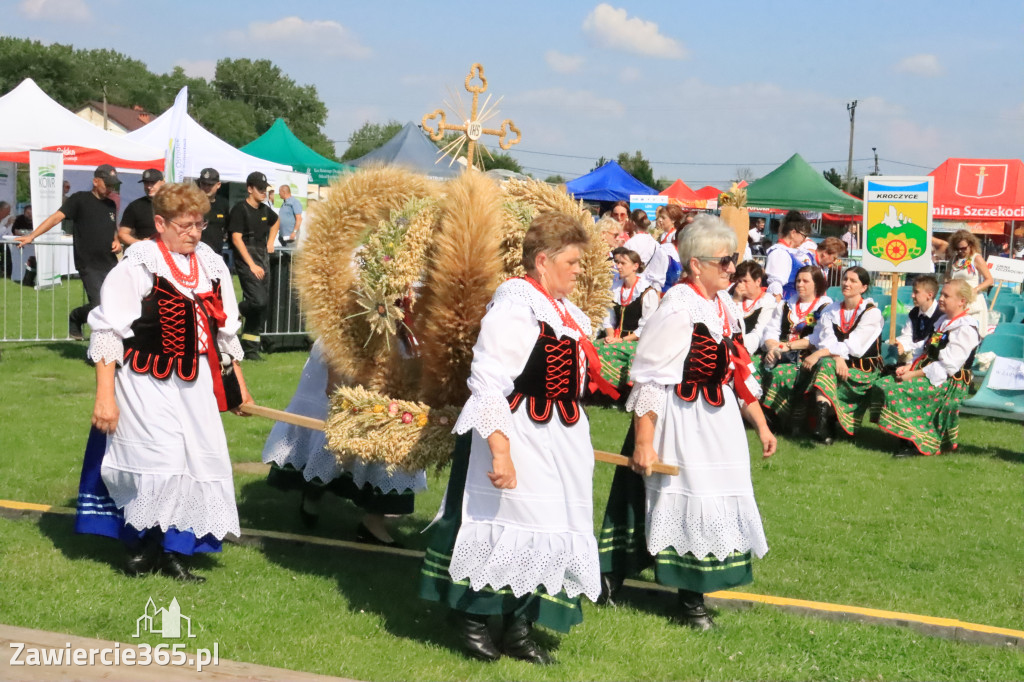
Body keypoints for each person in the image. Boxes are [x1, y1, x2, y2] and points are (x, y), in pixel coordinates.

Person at [419, 212, 611, 664]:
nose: (578, 269)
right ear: (542, 261)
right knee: (503, 523)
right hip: (518, 429)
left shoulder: (562, 311)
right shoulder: (516, 303)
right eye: (572, 261)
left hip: (559, 437)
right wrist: (501, 453)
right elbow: (487, 381)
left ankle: (520, 629)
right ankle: (473, 616)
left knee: (549, 529)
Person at [597, 215, 774, 631]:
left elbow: (739, 370)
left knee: (711, 498)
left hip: (719, 421)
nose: (733, 268)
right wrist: (644, 441)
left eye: (734, 260)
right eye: (725, 261)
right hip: (679, 419)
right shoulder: (676, 309)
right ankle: (687, 598)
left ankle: (656, 585)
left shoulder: (724, 306)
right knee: (674, 497)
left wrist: (762, 425)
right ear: (696, 264)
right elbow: (649, 380)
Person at [74, 182, 252, 582]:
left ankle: (176, 551)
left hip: (196, 380)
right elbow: (107, 333)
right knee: (159, 460)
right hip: (144, 379)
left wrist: (237, 385)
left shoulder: (210, 263)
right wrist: (105, 398)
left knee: (197, 459)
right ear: (160, 222)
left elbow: (224, 330)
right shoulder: (139, 263)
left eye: (200, 224)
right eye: (186, 225)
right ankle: (141, 544)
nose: (195, 233)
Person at [262, 339, 426, 543]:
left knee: (396, 439)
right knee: (329, 443)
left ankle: (373, 522)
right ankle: (313, 494)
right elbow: (334, 382)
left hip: (392, 357)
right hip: (348, 355)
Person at [873, 280, 981, 457]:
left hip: (949, 382)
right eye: (942, 295)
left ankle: (916, 443)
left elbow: (948, 366)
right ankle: (905, 436)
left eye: (946, 296)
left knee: (897, 390)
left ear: (962, 300)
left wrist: (913, 374)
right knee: (883, 384)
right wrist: (909, 367)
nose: (941, 299)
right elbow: (926, 350)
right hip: (930, 371)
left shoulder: (966, 328)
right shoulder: (943, 321)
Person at [16, 164, 122, 340]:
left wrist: (116, 240)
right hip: (88, 263)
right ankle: (77, 318)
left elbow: (112, 228)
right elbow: (56, 217)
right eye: (107, 184)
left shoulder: (111, 204)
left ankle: (110, 344)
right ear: (96, 181)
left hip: (110, 262)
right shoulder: (79, 199)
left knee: (114, 304)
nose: (110, 188)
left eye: (113, 185)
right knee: (99, 305)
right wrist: (32, 235)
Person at [804, 267, 883, 444]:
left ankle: (826, 423)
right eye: (845, 279)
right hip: (835, 363)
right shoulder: (831, 310)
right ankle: (823, 424)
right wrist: (837, 357)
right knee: (826, 365)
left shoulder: (872, 313)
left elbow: (854, 347)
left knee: (824, 363)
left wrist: (821, 353)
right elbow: (827, 340)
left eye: (853, 281)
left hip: (862, 368)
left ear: (863, 287)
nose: (847, 283)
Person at [759, 266, 831, 432]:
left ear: (817, 284)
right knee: (755, 367)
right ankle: (761, 417)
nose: (800, 284)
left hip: (807, 355)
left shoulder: (825, 307)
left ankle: (787, 421)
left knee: (783, 374)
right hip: (780, 352)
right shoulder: (785, 304)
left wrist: (786, 347)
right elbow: (771, 330)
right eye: (798, 280)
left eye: (805, 281)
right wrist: (772, 348)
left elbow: (817, 338)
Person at [228, 171, 280, 360]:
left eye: (265, 189)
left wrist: (270, 242)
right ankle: (236, 310)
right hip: (247, 259)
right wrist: (251, 265)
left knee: (261, 307)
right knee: (258, 301)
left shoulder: (266, 210)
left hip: (262, 257)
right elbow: (236, 238)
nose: (263, 193)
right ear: (249, 189)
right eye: (260, 189)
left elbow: (276, 222)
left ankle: (250, 350)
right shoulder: (239, 210)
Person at [598, 247, 660, 391]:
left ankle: (618, 392)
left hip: (639, 341)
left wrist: (621, 340)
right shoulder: (615, 289)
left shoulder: (646, 292)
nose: (618, 266)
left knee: (610, 350)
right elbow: (608, 318)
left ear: (635, 266)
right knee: (594, 347)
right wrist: (611, 336)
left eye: (623, 263)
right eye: (617, 262)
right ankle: (603, 392)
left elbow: (646, 327)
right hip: (617, 338)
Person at [934, 230, 993, 336]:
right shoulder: (953, 260)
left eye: (963, 248)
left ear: (971, 245)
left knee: (971, 333)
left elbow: (989, 280)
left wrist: (974, 290)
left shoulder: (976, 258)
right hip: (956, 300)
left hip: (972, 299)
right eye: (958, 249)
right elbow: (947, 278)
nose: (961, 251)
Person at [763, 210, 814, 301]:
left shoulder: (793, 252)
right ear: (793, 233)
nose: (805, 239)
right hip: (786, 302)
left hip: (799, 302)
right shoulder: (779, 252)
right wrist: (777, 308)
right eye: (803, 235)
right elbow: (775, 284)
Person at [730, 260, 776, 356]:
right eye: (739, 281)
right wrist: (735, 301)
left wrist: (740, 347)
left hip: (749, 349)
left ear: (758, 281)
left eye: (745, 281)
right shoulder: (731, 296)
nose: (740, 285)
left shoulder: (767, 301)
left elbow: (760, 331)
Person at [893, 275, 941, 361]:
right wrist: (901, 343)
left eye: (916, 292)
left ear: (929, 295)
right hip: (913, 355)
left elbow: (933, 344)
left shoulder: (941, 316)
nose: (912, 295)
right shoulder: (914, 313)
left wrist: (906, 346)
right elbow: (907, 334)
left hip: (930, 359)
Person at [625, 210, 670, 292]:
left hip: (633, 286)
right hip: (650, 287)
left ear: (633, 223)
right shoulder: (656, 244)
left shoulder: (630, 243)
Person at [118, 168, 164, 245]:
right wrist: (141, 244)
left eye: (152, 183)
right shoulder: (135, 206)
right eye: (146, 183)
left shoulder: (174, 204)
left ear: (162, 182)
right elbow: (122, 234)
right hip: (146, 253)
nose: (149, 187)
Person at [196, 168, 229, 256]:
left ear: (218, 185)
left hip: (216, 253)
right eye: (204, 184)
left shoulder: (223, 203)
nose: (206, 187)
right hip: (196, 253)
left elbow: (226, 227)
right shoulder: (193, 202)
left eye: (210, 185)